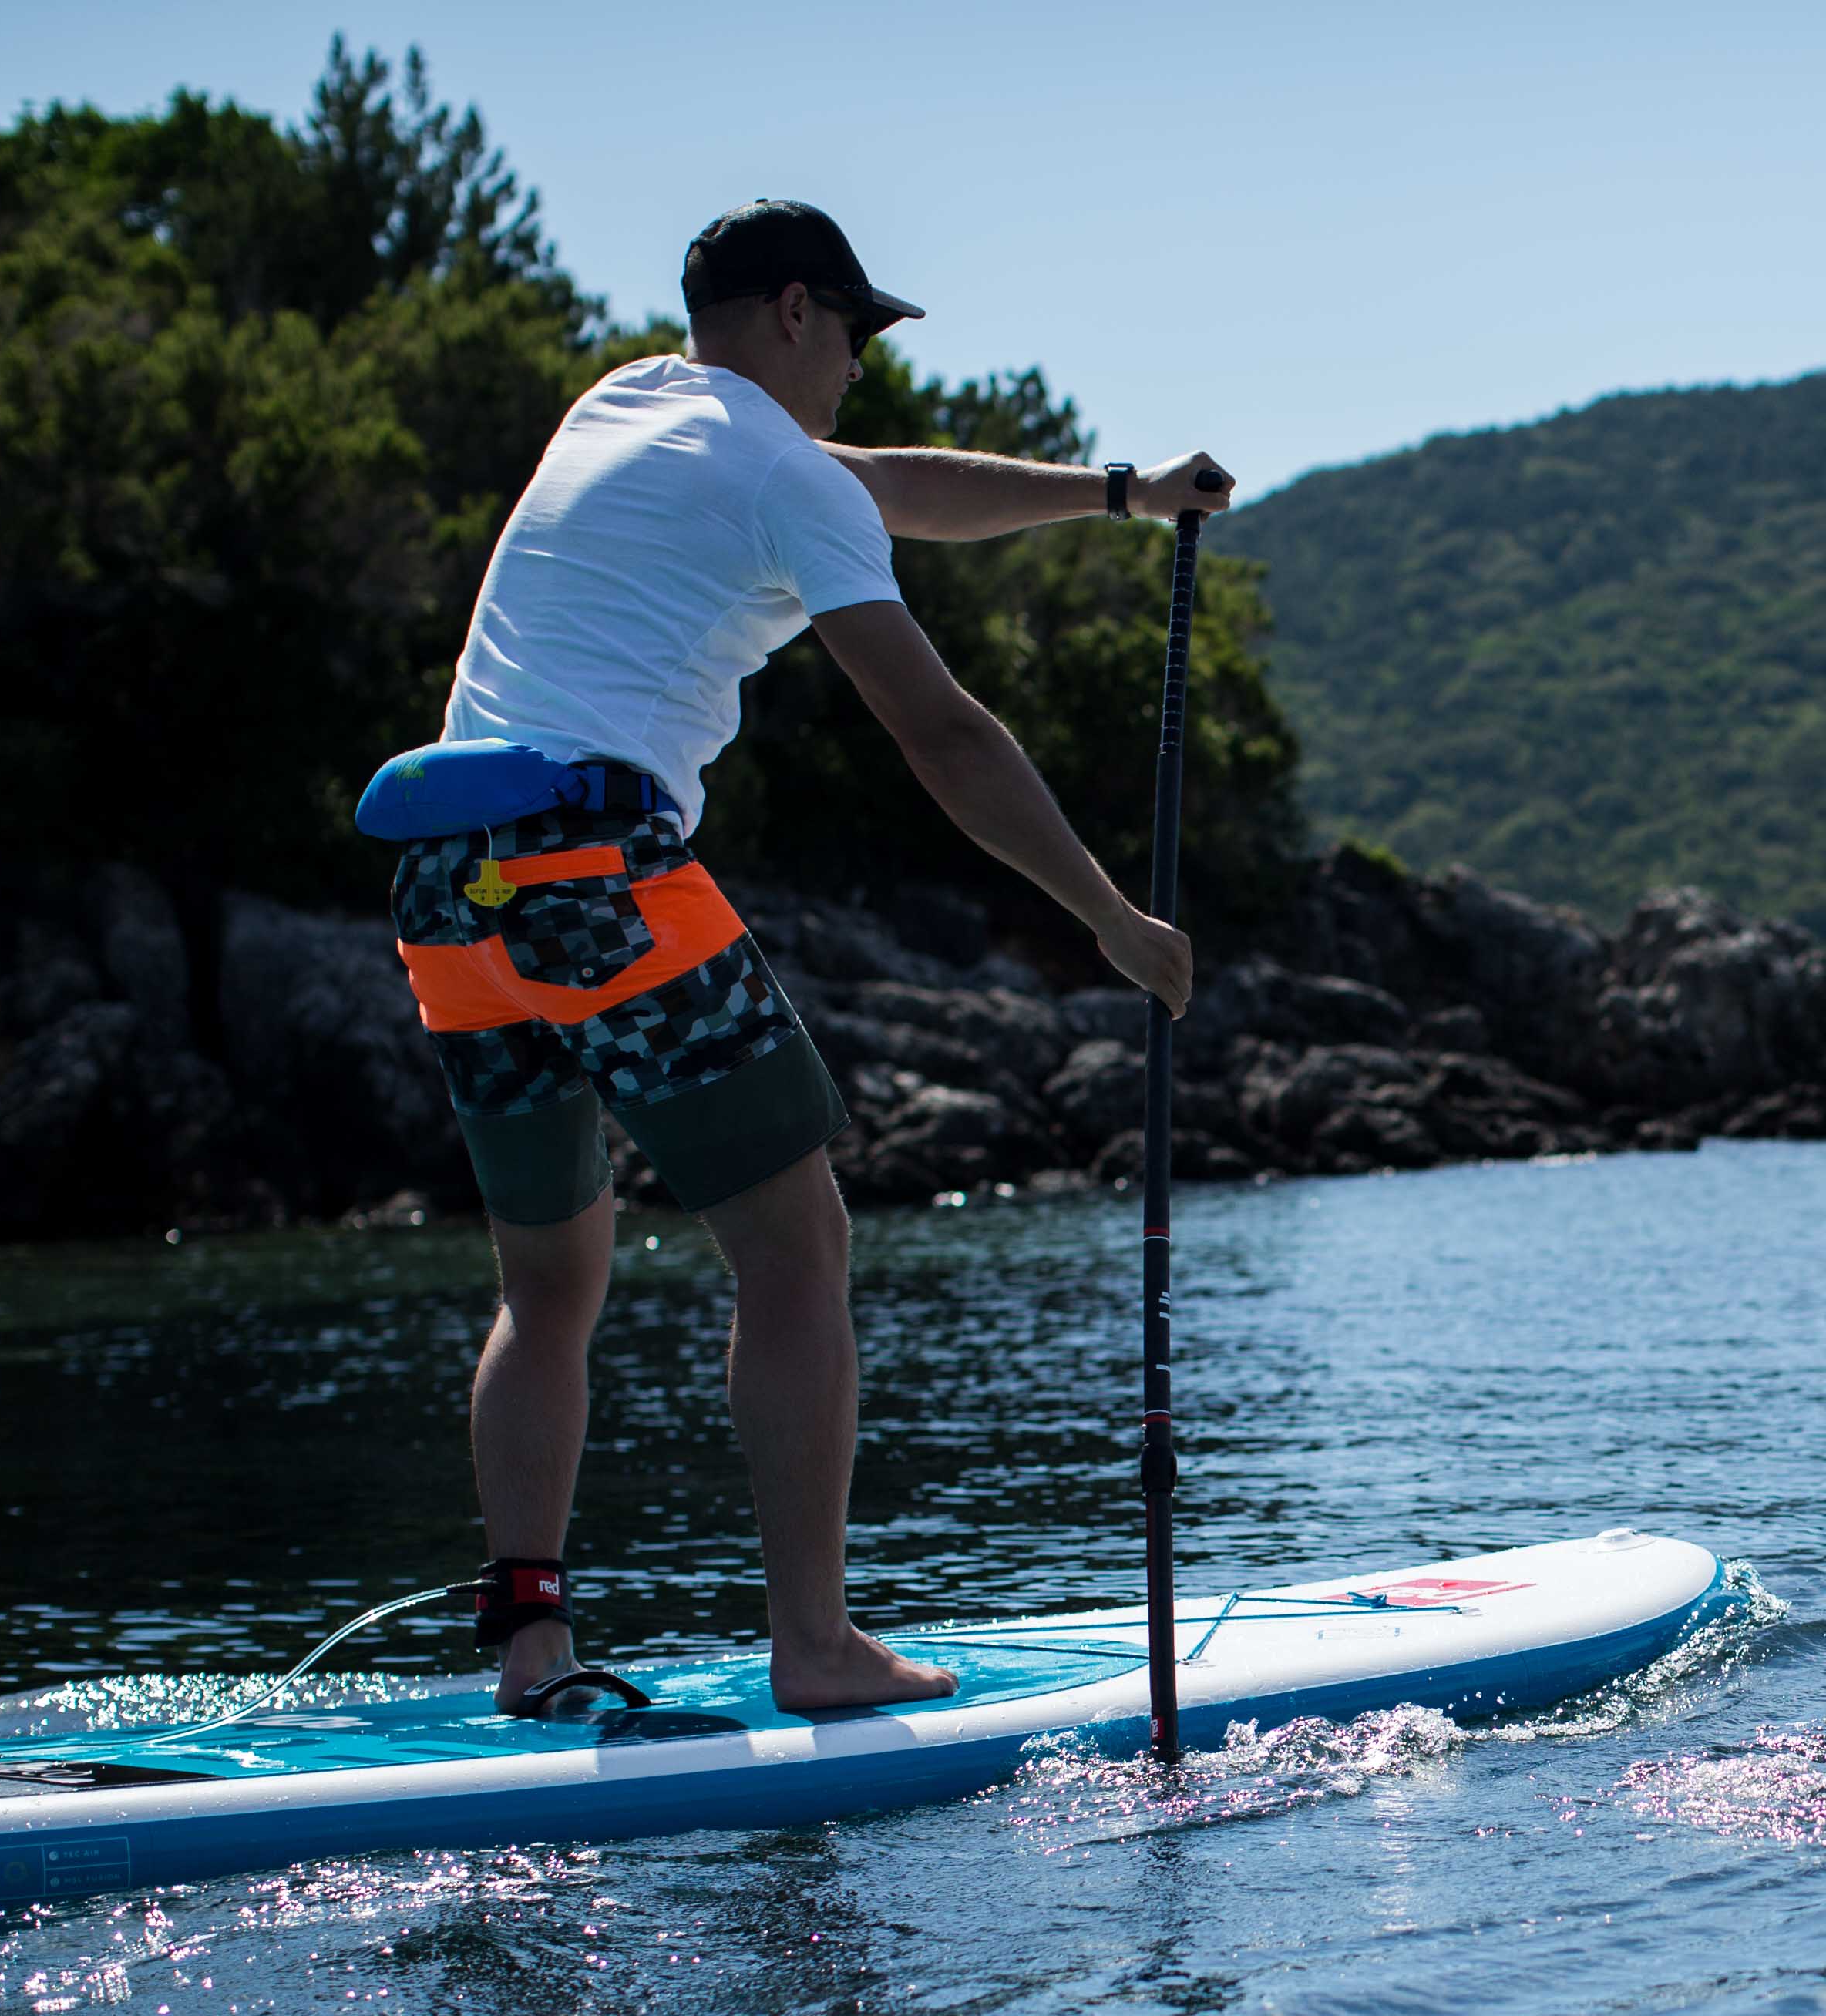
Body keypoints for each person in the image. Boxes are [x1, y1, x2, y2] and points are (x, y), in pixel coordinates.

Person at [373, 198, 1224, 1715]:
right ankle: (818, 1646)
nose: (854, 367)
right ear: (789, 312)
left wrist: (1119, 494)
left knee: (547, 1287)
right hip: (600, 876)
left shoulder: (630, 403)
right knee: (796, 1249)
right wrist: (1106, 912)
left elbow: (888, 487)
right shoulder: (777, 467)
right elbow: (945, 736)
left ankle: (530, 1649)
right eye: (850, 333)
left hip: (448, 887)